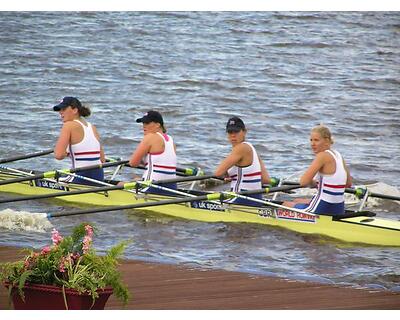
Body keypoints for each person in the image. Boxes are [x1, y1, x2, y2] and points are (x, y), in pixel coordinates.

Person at [284, 125, 352, 216]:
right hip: (339, 207)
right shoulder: (338, 156)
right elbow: (348, 184)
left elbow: (303, 182)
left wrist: (313, 184)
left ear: (327, 141)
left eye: (316, 140)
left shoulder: (322, 156)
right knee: (297, 200)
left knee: (285, 204)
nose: (312, 144)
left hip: (323, 207)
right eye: (311, 140)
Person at [214, 116, 271, 206]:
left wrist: (226, 174)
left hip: (241, 199)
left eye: (236, 131)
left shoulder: (241, 148)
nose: (233, 135)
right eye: (230, 132)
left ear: (244, 132)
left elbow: (217, 173)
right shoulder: (252, 149)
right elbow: (266, 180)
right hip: (256, 198)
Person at [53, 96, 105, 185]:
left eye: (64, 109)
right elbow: (102, 159)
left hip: (80, 178)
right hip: (98, 178)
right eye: (59, 110)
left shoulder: (68, 125)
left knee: (53, 179)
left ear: (75, 110)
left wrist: (66, 152)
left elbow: (58, 155)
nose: (60, 112)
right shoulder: (92, 127)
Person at [128, 110, 177, 195]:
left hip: (152, 187)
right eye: (143, 123)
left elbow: (133, 163)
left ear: (158, 124)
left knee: (119, 184)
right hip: (172, 187)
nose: (143, 126)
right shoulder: (171, 140)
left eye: (147, 123)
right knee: (136, 179)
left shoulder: (150, 137)